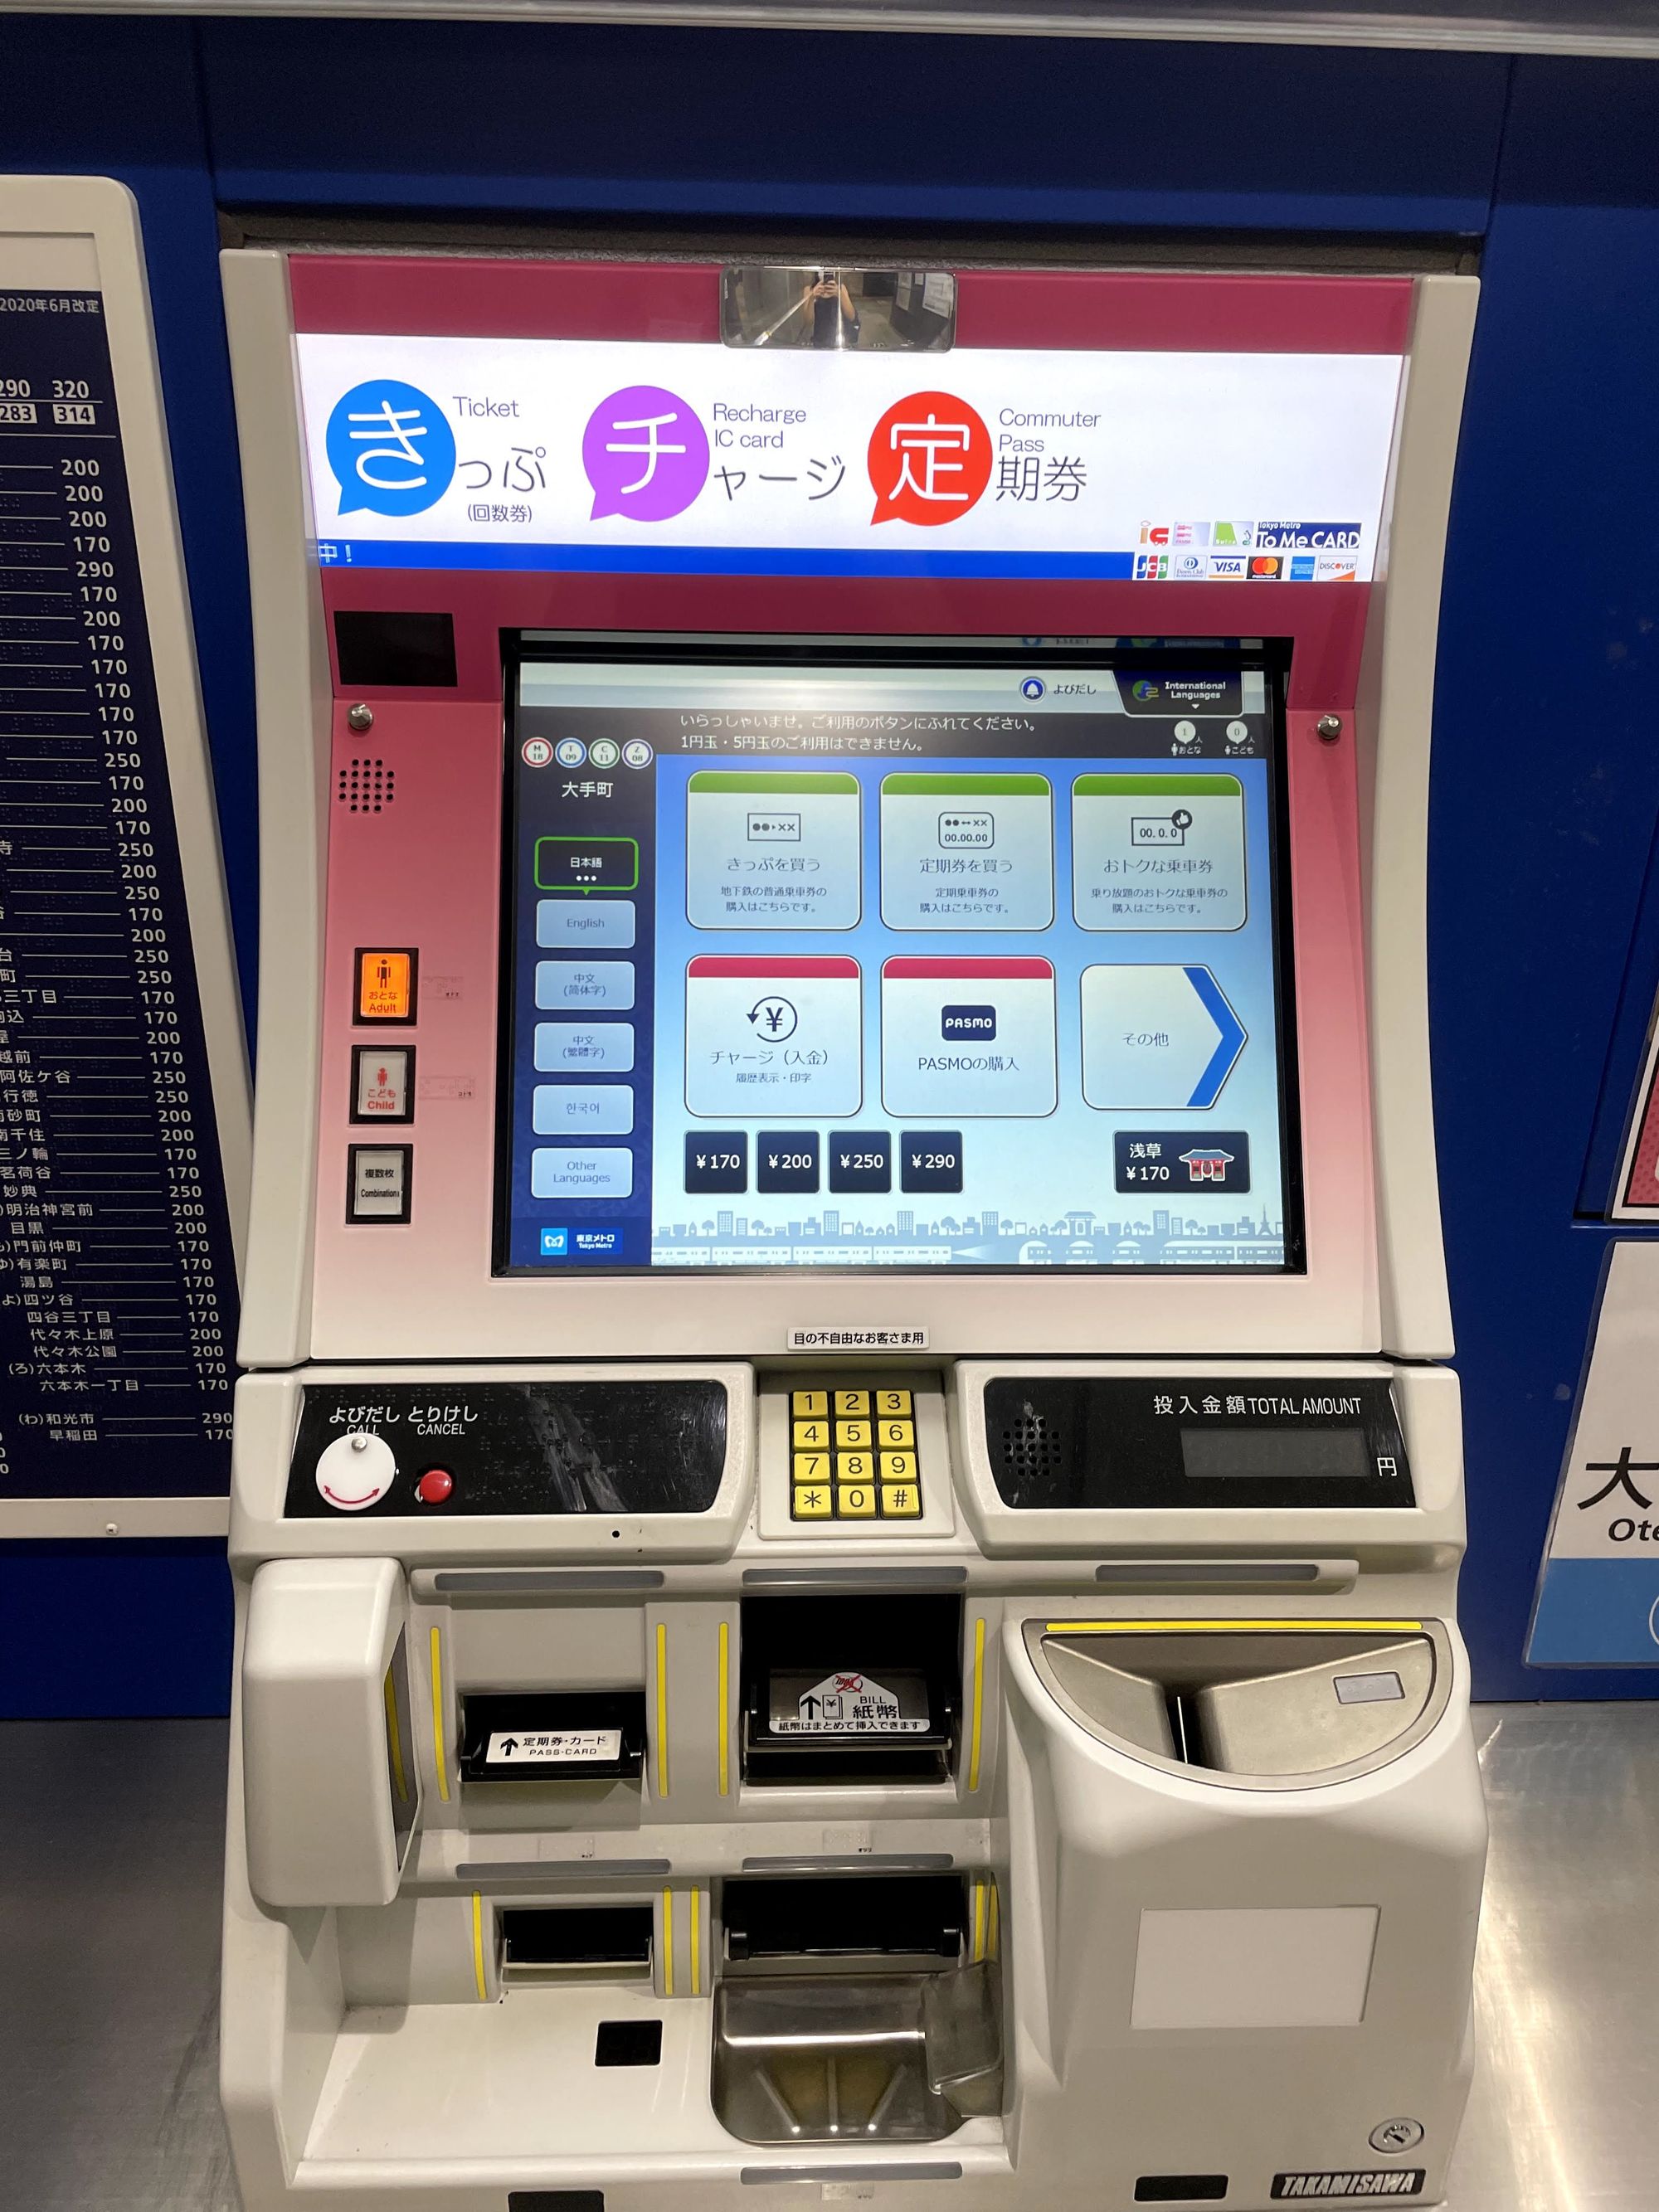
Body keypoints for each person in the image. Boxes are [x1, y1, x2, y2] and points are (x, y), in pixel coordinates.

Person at [801, 270, 859, 348]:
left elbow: (851, 317)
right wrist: (812, 297)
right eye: (823, 271)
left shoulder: (841, 288)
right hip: (819, 341)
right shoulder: (809, 289)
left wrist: (840, 294)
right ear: (817, 272)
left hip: (840, 339)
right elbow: (808, 322)